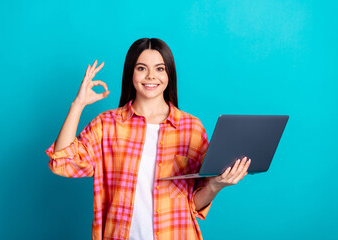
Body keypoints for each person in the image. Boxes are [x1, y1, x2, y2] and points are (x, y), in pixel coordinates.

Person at [45, 38, 251, 240]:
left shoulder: (192, 128)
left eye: (160, 69)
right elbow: (61, 163)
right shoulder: (106, 124)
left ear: (169, 74)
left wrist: (215, 186)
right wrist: (78, 104)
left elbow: (193, 205)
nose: (151, 76)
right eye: (142, 68)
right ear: (131, 73)